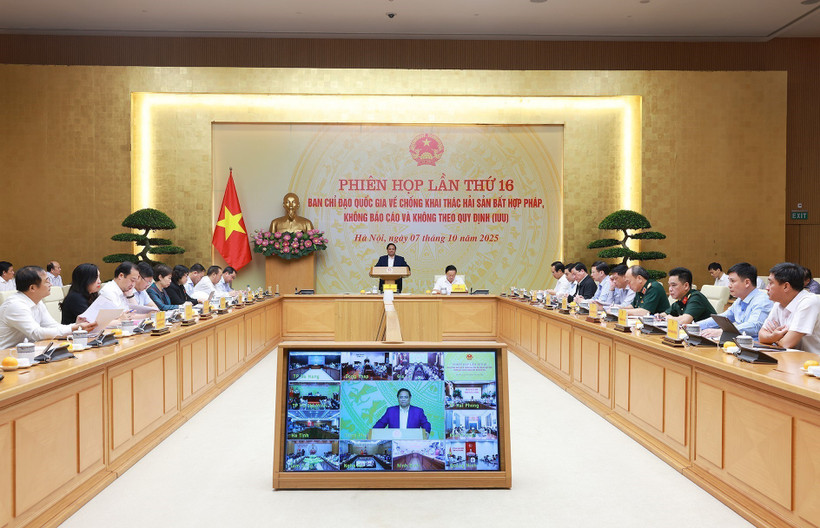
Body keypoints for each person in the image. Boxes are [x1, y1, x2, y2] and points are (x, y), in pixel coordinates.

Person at [0, 266, 96, 349]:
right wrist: (73, 328)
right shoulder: (16, 305)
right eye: (47, 281)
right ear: (32, 288)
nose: (51, 284)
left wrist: (75, 326)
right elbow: (36, 333)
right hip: (7, 356)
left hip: (28, 351)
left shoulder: (37, 301)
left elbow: (52, 325)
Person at [696, 262, 772, 339]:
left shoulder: (762, 300)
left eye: (732, 281)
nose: (729, 285)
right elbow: (723, 318)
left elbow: (754, 326)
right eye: (729, 281)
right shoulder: (739, 300)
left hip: (756, 346)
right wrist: (695, 326)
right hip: (739, 343)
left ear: (747, 283)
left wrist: (722, 332)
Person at [759, 262, 820, 354]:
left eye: (771, 283)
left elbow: (787, 343)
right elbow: (761, 335)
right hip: (791, 358)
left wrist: (773, 338)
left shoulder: (809, 302)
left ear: (786, 286)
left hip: (813, 363)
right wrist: (774, 337)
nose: (767, 288)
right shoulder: (778, 302)